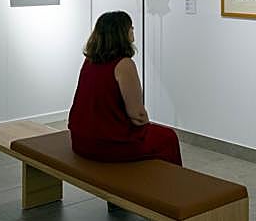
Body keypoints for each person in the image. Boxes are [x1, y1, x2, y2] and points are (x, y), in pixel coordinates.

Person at [68, 11, 182, 166]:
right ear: (122, 33)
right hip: (107, 144)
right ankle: (166, 181)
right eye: (130, 27)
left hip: (80, 139)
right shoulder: (124, 65)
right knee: (168, 138)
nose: (133, 30)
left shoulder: (89, 61)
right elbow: (137, 115)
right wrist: (143, 121)